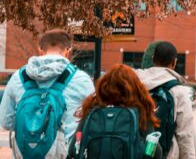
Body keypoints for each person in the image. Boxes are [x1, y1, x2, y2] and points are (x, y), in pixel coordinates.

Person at [0, 28, 95, 158]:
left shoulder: (18, 77)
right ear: (68, 50)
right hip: (64, 153)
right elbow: (92, 122)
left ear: (40, 49)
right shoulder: (81, 80)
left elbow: (6, 121)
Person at [68, 64, 162, 159]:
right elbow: (155, 153)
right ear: (135, 88)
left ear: (103, 86)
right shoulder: (141, 112)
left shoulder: (92, 110)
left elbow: (73, 149)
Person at [136, 41, 196, 159]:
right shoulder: (178, 90)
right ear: (174, 62)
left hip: (138, 153)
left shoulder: (135, 84)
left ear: (153, 59)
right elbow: (185, 134)